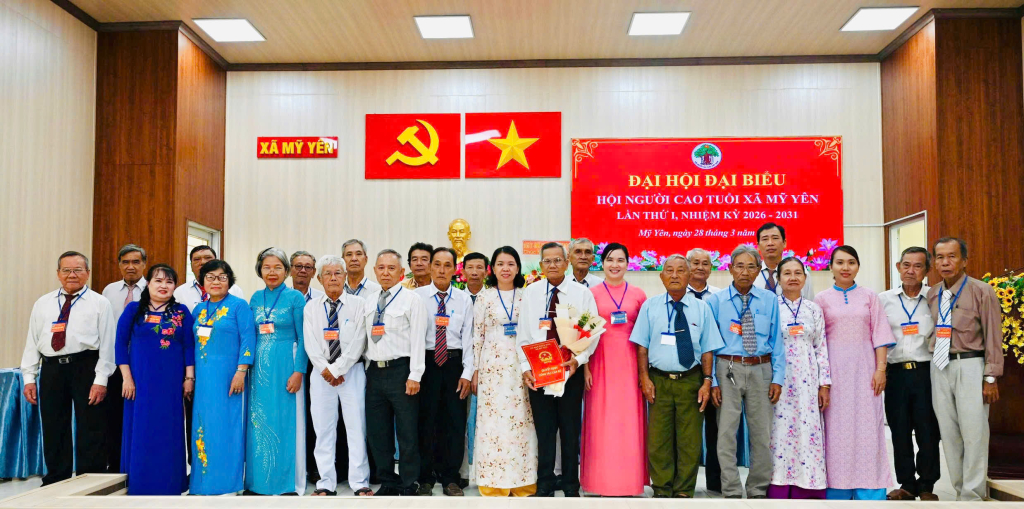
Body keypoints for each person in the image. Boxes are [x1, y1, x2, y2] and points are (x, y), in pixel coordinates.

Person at [630, 254, 722, 498]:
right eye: (669, 270)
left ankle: (683, 489)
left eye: (680, 270)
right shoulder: (650, 306)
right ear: (661, 277)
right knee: (658, 438)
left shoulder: (702, 308)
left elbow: (708, 348)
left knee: (689, 439)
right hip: (658, 380)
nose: (674, 275)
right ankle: (662, 487)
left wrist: (707, 381)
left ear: (689, 276)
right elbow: (642, 346)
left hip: (691, 380)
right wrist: (644, 378)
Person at [21, 251, 115, 485]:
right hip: (52, 369)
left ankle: (90, 478)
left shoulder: (100, 303)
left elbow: (108, 344)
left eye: (78, 270)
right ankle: (56, 478)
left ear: (87, 273)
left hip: (86, 367)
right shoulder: (42, 303)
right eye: (66, 270)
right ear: (58, 273)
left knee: (91, 425)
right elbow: (32, 342)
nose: (72, 275)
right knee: (53, 425)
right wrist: (29, 378)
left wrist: (101, 380)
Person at [516, 242, 599, 497]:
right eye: (547, 261)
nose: (552, 265)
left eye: (557, 260)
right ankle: (545, 483)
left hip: (570, 369)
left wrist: (579, 359)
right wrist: (525, 367)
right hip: (539, 370)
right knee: (545, 430)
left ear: (566, 262)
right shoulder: (531, 293)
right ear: (541, 265)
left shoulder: (581, 293)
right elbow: (523, 335)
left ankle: (571, 485)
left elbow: (591, 332)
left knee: (570, 430)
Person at [814, 245, 895, 500]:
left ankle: (870, 491)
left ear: (858, 266)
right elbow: (817, 343)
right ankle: (837, 491)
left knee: (868, 432)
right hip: (834, 377)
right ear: (831, 267)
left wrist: (881, 370)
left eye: (851, 262)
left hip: (866, 375)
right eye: (840, 262)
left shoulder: (870, 297)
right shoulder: (821, 299)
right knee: (835, 433)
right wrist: (822, 381)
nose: (845, 267)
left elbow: (880, 335)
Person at [927, 237, 1002, 501]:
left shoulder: (982, 291)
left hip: (970, 364)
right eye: (939, 257)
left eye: (952, 256)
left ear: (964, 261)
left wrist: (990, 377)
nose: (945, 262)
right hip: (939, 366)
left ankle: (973, 495)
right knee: (949, 434)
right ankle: (960, 492)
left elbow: (993, 336)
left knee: (974, 433)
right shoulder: (933, 293)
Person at [707, 245, 784, 499]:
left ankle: (757, 488)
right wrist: (713, 381)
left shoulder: (769, 300)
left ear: (759, 270)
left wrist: (778, 378)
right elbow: (708, 345)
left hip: (761, 369)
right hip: (726, 368)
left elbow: (777, 341)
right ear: (730, 269)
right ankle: (730, 488)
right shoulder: (715, 301)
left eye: (751, 266)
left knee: (761, 433)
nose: (745, 272)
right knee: (726, 432)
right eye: (739, 266)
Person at [115, 264, 195, 495]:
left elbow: (189, 346)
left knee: (168, 430)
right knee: (141, 429)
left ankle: (170, 484)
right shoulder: (133, 310)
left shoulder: (181, 312)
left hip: (170, 383)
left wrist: (189, 377)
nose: (164, 286)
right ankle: (140, 483)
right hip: (139, 382)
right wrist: (126, 378)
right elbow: (120, 344)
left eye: (169, 282)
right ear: (148, 283)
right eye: (158, 281)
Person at [580, 243, 648, 496]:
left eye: (620, 260)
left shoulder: (639, 295)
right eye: (610, 260)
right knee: (601, 422)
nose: (615, 265)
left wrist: (644, 373)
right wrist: (585, 368)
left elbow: (644, 337)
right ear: (602, 263)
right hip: (599, 364)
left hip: (630, 367)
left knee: (628, 423)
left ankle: (629, 481)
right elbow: (583, 334)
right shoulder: (591, 294)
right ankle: (599, 482)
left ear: (628, 264)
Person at [303, 255, 373, 496]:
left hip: (351, 373)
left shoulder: (358, 304)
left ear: (344, 276)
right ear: (319, 278)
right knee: (323, 429)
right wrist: (327, 370)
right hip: (321, 375)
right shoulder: (311, 307)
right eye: (328, 274)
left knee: (356, 428)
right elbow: (311, 343)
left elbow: (359, 341)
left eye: (337, 273)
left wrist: (338, 369)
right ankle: (325, 482)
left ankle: (359, 481)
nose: (333, 278)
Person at [471, 246, 537, 496]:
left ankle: (522, 481)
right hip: (491, 369)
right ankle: (493, 482)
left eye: (510, 264)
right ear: (493, 268)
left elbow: (534, 332)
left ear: (518, 268)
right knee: (492, 424)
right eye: (500, 264)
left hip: (522, 367)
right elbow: (477, 336)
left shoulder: (527, 296)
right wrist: (476, 370)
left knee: (521, 421)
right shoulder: (484, 297)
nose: (505, 268)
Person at [363, 249, 428, 496]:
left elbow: (418, 339)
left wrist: (415, 375)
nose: (386, 273)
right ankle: (388, 481)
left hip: (402, 371)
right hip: (374, 372)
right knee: (378, 431)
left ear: (401, 272)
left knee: (407, 431)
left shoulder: (412, 300)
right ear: (374, 271)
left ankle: (409, 482)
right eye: (381, 268)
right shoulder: (369, 301)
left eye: (391, 268)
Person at [244, 248, 308, 495]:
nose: (272, 272)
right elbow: (249, 334)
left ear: (287, 271)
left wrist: (299, 371)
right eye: (267, 267)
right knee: (258, 421)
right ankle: (257, 483)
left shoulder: (295, 298)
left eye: (278, 267)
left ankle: (287, 483)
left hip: (286, 366)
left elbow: (304, 338)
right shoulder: (255, 298)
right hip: (258, 370)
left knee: (286, 421)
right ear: (259, 270)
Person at [189, 260, 255, 495]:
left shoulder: (239, 306)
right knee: (203, 427)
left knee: (228, 427)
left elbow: (248, 339)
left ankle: (228, 484)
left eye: (221, 277)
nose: (216, 281)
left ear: (229, 280)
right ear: (202, 281)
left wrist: (241, 371)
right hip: (203, 380)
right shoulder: (198, 309)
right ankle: (202, 484)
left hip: (229, 378)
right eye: (210, 277)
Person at [880, 247, 940, 501]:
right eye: (906, 265)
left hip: (926, 373)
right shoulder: (883, 300)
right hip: (895, 373)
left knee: (928, 431)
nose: (910, 271)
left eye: (917, 266)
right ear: (898, 267)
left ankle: (926, 485)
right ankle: (906, 483)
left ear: (927, 270)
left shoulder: (935, 297)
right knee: (899, 430)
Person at [767, 257, 831, 499]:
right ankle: (779, 485)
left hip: (808, 381)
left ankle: (808, 485)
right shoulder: (771, 306)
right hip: (779, 381)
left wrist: (824, 384)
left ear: (805, 277)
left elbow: (821, 348)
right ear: (778, 278)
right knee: (779, 433)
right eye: (787, 273)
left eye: (798, 273)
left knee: (808, 431)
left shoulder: (813, 309)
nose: (793, 277)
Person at [414, 247, 474, 496]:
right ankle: (425, 478)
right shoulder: (416, 297)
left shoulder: (463, 299)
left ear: (454, 270)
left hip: (453, 364)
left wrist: (467, 373)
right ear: (430, 267)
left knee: (454, 422)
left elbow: (469, 339)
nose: (441, 270)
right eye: (436, 264)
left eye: (447, 265)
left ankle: (450, 477)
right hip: (426, 364)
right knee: (425, 422)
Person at [100, 243, 147, 473]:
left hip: (143, 362)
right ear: (119, 265)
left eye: (136, 262)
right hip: (115, 362)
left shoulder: (154, 288)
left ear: (144, 264)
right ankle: (116, 465)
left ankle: (140, 462)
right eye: (125, 262)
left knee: (142, 414)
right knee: (113, 415)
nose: (130, 266)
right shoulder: (108, 291)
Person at [290, 250, 333, 486]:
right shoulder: (283, 297)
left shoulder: (321, 298)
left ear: (314, 272)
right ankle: (294, 465)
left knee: (317, 416)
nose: (302, 270)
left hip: (319, 365)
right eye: (298, 266)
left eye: (307, 267)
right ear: (290, 269)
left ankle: (316, 467)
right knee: (294, 416)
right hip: (290, 365)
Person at [685, 248, 723, 492]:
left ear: (711, 268)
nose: (700, 267)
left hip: (715, 371)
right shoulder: (676, 294)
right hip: (686, 370)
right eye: (695, 262)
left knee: (716, 427)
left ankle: (715, 482)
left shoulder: (719, 297)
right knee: (685, 427)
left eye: (705, 263)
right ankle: (683, 481)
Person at [459, 251, 488, 486]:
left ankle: (487, 471)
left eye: (480, 267)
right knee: (460, 421)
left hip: (491, 367)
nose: (475, 272)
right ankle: (462, 472)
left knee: (487, 421)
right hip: (462, 369)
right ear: (463, 271)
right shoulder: (457, 299)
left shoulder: (493, 298)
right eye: (471, 267)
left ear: (487, 271)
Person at [173, 245, 245, 312]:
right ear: (191, 266)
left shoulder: (234, 290)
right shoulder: (180, 292)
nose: (203, 262)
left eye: (208, 258)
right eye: (197, 259)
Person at [754, 223, 814, 299]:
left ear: (784, 243)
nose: (770, 243)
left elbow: (809, 302)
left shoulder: (800, 273)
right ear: (758, 246)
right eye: (765, 239)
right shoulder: (752, 273)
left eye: (775, 238)